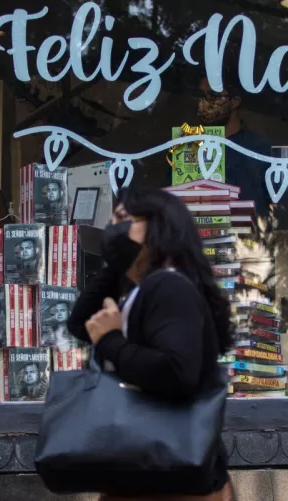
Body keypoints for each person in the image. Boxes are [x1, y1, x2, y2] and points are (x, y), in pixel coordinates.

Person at [67, 186, 235, 501]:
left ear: (158, 225)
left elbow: (176, 370)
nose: (112, 229)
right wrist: (119, 264)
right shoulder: (143, 288)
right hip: (147, 472)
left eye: (122, 219)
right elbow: (80, 323)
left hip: (172, 482)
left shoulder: (169, 288)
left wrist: (111, 340)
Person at [197, 76, 271, 216]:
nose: (205, 102)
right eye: (201, 95)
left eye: (213, 95)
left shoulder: (257, 148)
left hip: (245, 235)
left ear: (234, 102)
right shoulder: (187, 146)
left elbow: (271, 205)